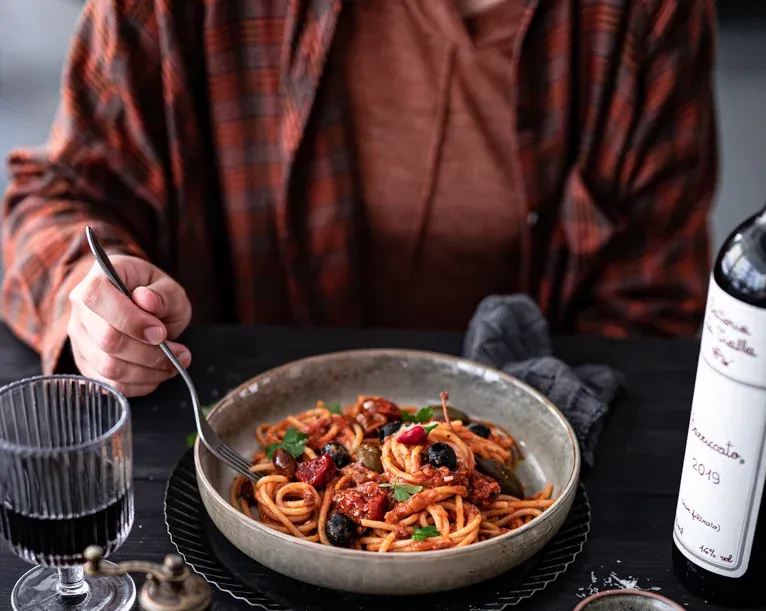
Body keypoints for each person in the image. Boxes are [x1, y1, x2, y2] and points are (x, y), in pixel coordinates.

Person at [1, 0, 716, 398]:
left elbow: (651, 305)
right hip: (221, 453)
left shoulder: (645, 17)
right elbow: (54, 197)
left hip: (514, 491)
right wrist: (92, 300)